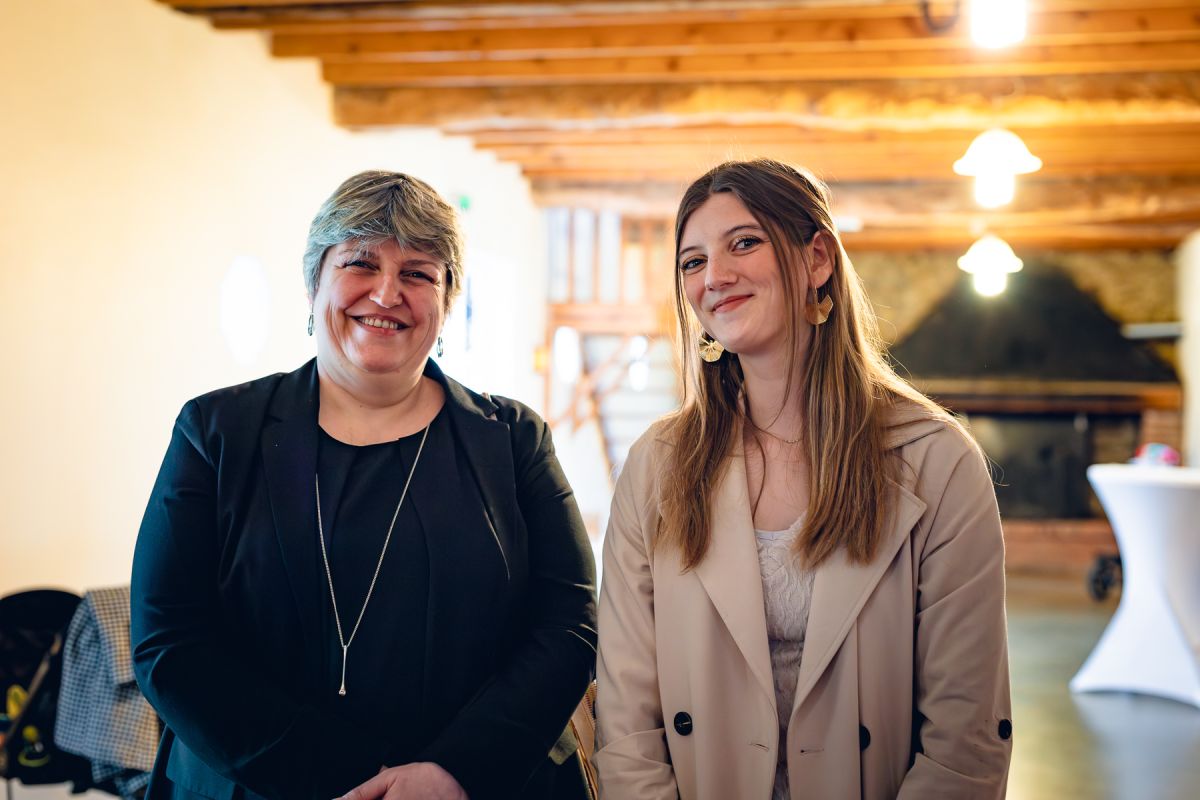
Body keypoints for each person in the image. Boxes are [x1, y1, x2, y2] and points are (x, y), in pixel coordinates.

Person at [131, 171, 597, 800]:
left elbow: (569, 624)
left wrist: (454, 771)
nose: (386, 292)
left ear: (446, 302)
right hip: (260, 784)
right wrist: (345, 779)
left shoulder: (514, 440)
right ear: (313, 284)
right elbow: (169, 639)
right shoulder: (216, 432)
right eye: (360, 263)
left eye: (418, 273)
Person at [594, 159, 1011, 799]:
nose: (715, 276)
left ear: (817, 259)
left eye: (744, 243)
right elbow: (626, 718)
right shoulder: (658, 465)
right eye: (693, 262)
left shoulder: (938, 462)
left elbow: (965, 737)